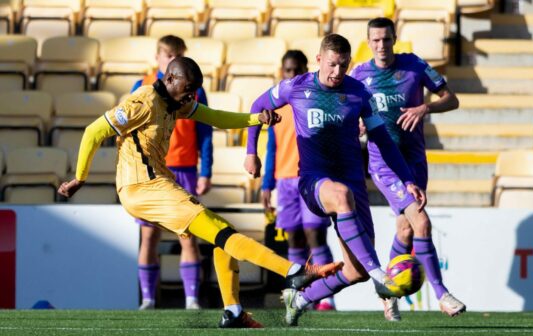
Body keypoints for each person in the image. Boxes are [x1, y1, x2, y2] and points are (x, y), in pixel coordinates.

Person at [57, 57, 343, 328]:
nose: (191, 96)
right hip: (141, 188)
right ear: (169, 78)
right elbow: (93, 131)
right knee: (222, 232)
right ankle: (293, 273)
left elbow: (215, 117)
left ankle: (232, 312)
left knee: (224, 236)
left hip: (157, 184)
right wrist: (79, 178)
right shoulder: (142, 102)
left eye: (195, 91)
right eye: (188, 89)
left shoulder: (175, 103)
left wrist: (256, 119)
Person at [244, 34, 427, 327]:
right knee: (341, 197)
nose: (337, 72)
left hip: (354, 185)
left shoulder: (359, 93)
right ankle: (382, 276)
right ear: (319, 60)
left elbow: (383, 139)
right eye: (331, 65)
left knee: (356, 270)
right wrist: (251, 152)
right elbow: (256, 106)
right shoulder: (297, 86)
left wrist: (407, 179)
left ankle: (300, 299)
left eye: (343, 65)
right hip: (314, 181)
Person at [350, 17, 466, 320]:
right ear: (368, 42)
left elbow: (451, 100)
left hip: (415, 160)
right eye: (375, 40)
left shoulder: (414, 66)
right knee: (422, 223)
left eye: (386, 40)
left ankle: (386, 293)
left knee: (405, 228)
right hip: (384, 163)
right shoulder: (360, 74)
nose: (381, 46)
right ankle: (442, 295)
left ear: (394, 39)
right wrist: (358, 123)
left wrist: (424, 107)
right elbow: (348, 113)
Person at [130, 35, 212, 311]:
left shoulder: (194, 90)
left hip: (184, 170)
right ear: (158, 58)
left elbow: (205, 132)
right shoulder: (141, 87)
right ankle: (148, 300)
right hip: (151, 171)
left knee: (188, 234)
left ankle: (191, 299)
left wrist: (206, 170)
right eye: (168, 56)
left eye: (177, 56)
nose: (172, 61)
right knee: (149, 236)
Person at [262, 50, 336, 311]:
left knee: (315, 235)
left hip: (312, 178)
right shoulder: (277, 106)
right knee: (293, 239)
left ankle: (326, 296)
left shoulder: (316, 99)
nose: (292, 75)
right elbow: (272, 147)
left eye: (296, 70)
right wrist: (265, 185)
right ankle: (300, 292)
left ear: (306, 69)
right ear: (282, 73)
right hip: (284, 181)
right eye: (287, 71)